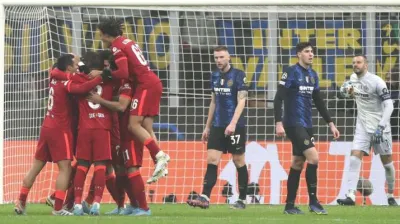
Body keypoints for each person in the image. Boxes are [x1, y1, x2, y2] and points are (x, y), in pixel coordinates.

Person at [14, 54, 103, 216]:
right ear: (68, 67)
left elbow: (55, 71)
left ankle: (20, 201)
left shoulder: (55, 77)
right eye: (76, 63)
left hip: (47, 125)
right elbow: (82, 89)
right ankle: (58, 208)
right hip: (59, 129)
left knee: (36, 167)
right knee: (66, 168)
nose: (78, 65)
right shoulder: (66, 83)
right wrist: (101, 77)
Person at [94, 17, 170, 183]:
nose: (100, 38)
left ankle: (160, 155)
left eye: (101, 35)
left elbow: (123, 73)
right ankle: (160, 163)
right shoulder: (128, 41)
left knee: (133, 125)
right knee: (146, 127)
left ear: (107, 35)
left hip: (145, 85)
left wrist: (103, 75)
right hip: (153, 82)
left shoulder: (117, 47)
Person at [274, 42, 340, 215]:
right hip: (293, 123)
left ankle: (289, 206)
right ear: (299, 54)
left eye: (312, 51)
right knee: (314, 158)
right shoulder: (290, 72)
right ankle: (314, 202)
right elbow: (278, 98)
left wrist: (331, 123)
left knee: (297, 163)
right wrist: (278, 122)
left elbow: (318, 101)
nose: (311, 54)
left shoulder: (313, 75)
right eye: (307, 51)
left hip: (307, 124)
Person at [186, 45, 248, 209]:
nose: (218, 60)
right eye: (216, 58)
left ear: (229, 58)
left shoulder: (238, 75)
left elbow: (242, 100)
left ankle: (242, 199)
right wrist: (207, 127)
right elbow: (213, 102)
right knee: (212, 160)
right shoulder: (214, 76)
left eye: (221, 57)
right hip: (217, 126)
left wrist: (233, 123)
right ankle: (205, 197)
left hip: (235, 126)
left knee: (238, 160)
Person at [337, 55, 397, 206]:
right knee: (354, 156)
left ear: (366, 65)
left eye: (358, 62)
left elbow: (389, 105)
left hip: (380, 127)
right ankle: (350, 195)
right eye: (353, 63)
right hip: (362, 126)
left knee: (387, 163)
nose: (355, 65)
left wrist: (381, 126)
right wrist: (347, 92)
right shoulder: (352, 78)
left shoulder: (377, 82)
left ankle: (390, 195)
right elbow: (349, 90)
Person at [71, 51, 114, 216]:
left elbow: (76, 76)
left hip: (85, 128)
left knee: (82, 166)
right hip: (102, 128)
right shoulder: (109, 81)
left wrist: (82, 68)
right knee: (101, 166)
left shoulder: (79, 80)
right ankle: (96, 203)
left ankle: (76, 205)